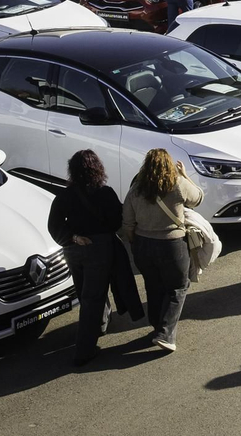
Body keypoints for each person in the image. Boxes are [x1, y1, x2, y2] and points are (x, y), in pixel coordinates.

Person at [48, 149, 139, 366]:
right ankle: (84, 350)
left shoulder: (64, 196)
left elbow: (54, 226)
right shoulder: (105, 193)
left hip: (73, 251)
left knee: (84, 291)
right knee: (93, 297)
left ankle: (99, 325)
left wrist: (73, 237)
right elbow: (118, 220)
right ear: (97, 169)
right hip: (99, 250)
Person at [121, 148, 204, 352]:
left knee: (153, 286)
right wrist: (185, 175)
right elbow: (198, 198)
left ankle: (157, 326)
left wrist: (134, 242)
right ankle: (165, 334)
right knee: (178, 287)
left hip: (143, 244)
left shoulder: (136, 188)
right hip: (172, 245)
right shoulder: (177, 184)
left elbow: (128, 222)